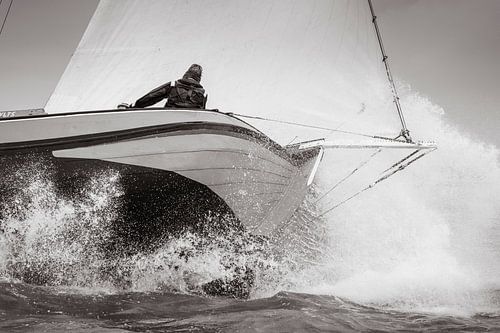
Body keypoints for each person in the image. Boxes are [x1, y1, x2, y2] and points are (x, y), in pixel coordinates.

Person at [126, 64, 207, 109]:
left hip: (169, 118)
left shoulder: (173, 85)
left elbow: (153, 96)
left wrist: (137, 106)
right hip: (187, 125)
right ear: (198, 79)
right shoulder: (201, 94)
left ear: (186, 74)